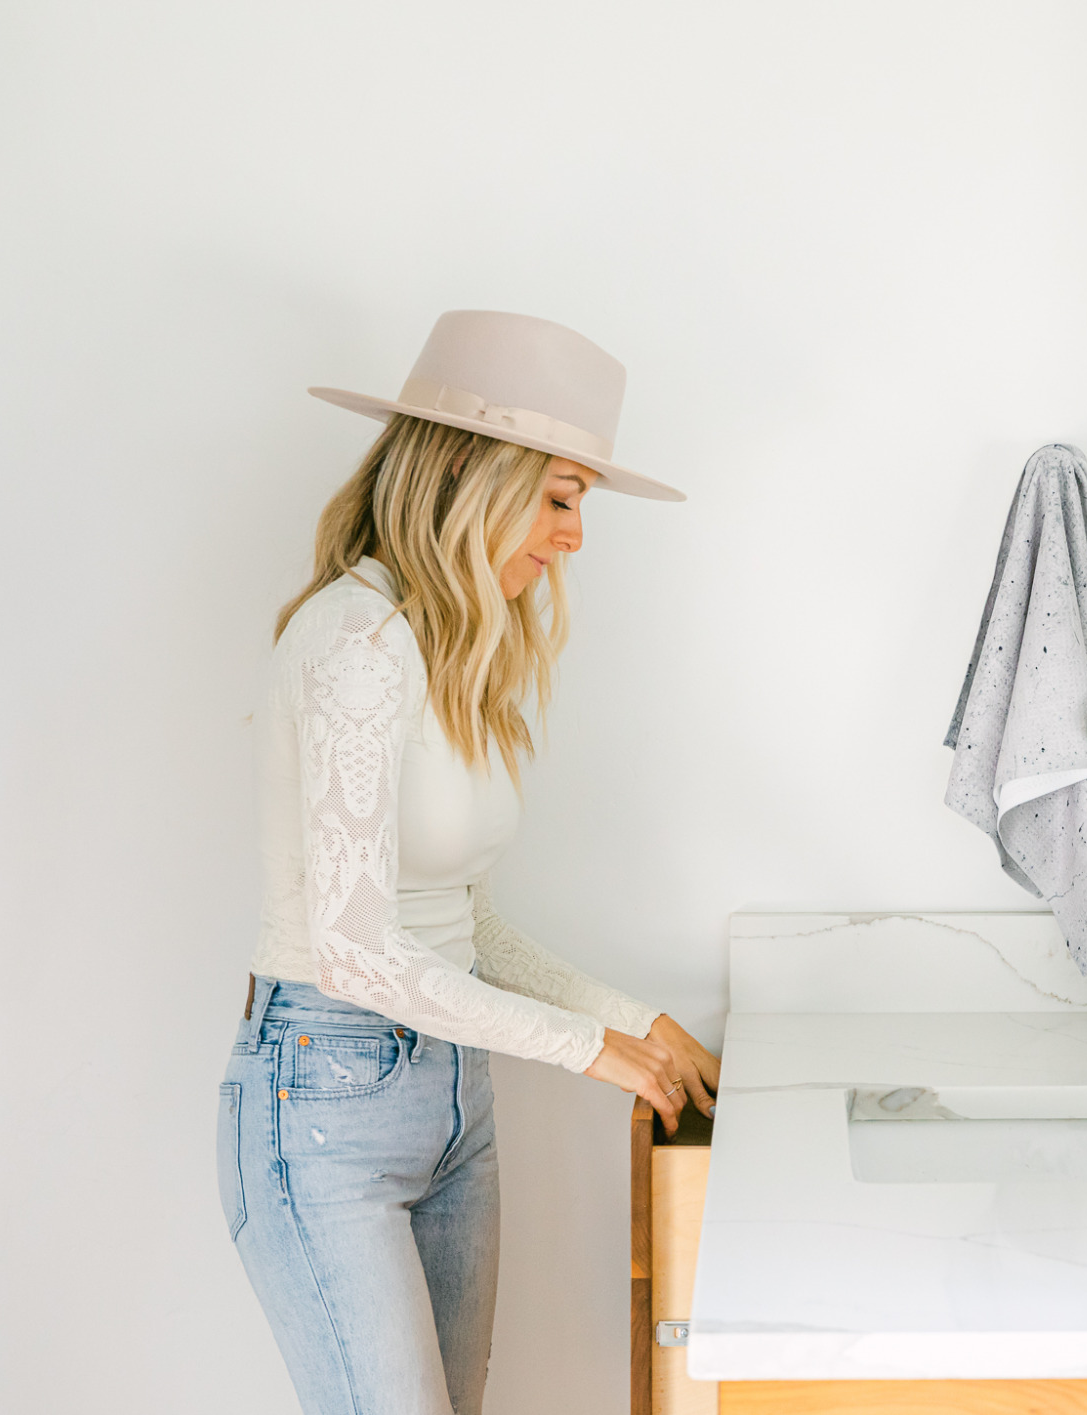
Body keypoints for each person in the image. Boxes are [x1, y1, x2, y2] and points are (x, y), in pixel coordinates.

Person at [216, 311, 715, 1415]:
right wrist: (589, 1047)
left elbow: (462, 922)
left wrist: (632, 1018)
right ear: (464, 471)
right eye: (560, 498)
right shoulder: (354, 642)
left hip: (451, 1096)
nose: (573, 536)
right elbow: (356, 951)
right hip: (325, 1093)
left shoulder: (442, 647)